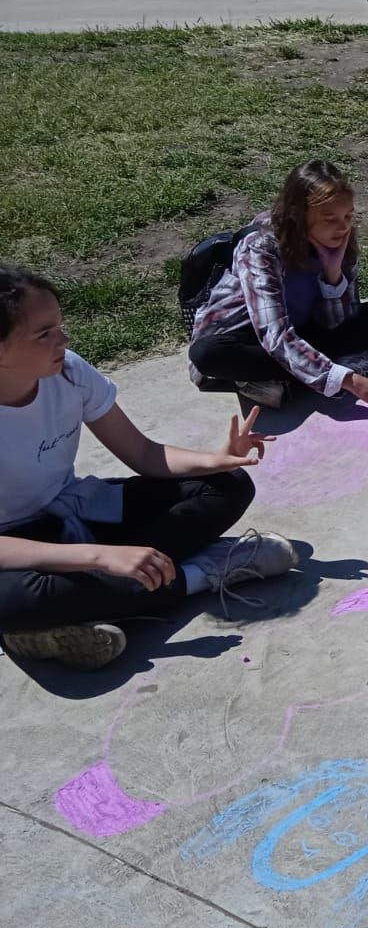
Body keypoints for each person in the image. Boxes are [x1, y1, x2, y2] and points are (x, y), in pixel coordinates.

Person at [1, 266, 297, 671]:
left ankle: (69, 617)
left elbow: (141, 452)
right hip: (16, 549)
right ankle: (200, 573)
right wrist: (99, 557)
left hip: (73, 511)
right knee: (13, 600)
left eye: (60, 325)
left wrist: (217, 459)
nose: (64, 339)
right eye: (44, 333)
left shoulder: (67, 370)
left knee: (227, 484)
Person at [188, 160, 368, 411]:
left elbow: (339, 324)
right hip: (252, 338)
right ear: (298, 216)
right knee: (208, 354)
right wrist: (350, 381)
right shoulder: (261, 245)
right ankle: (338, 366)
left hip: (307, 330)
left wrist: (333, 275)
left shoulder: (341, 238)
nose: (343, 226)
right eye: (330, 219)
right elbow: (274, 334)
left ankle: (282, 379)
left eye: (348, 215)